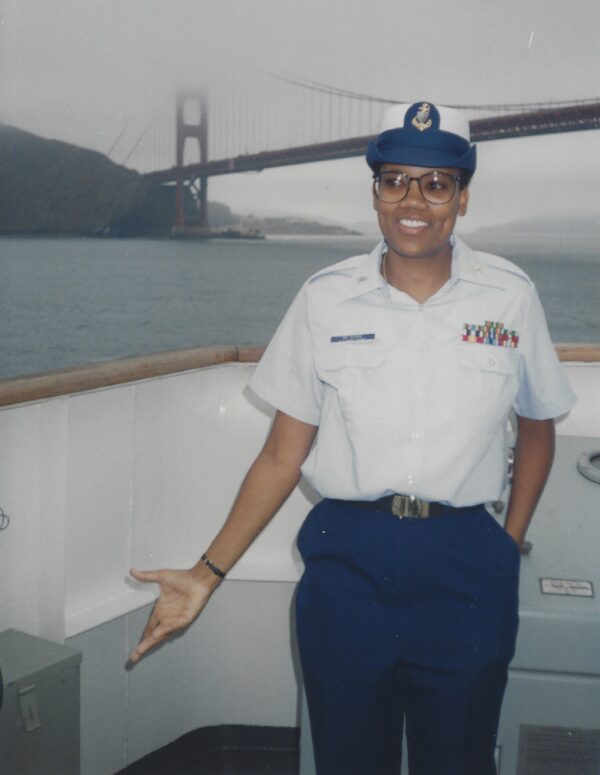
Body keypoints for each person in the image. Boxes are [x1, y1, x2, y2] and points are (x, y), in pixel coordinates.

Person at [129, 101, 576, 775]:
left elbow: (538, 426)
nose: (413, 200)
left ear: (462, 196)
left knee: (457, 760)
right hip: (348, 567)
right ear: (374, 193)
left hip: (466, 569)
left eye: (435, 183)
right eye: (394, 180)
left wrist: (505, 545)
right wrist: (204, 574)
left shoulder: (509, 297)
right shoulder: (324, 297)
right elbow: (283, 453)